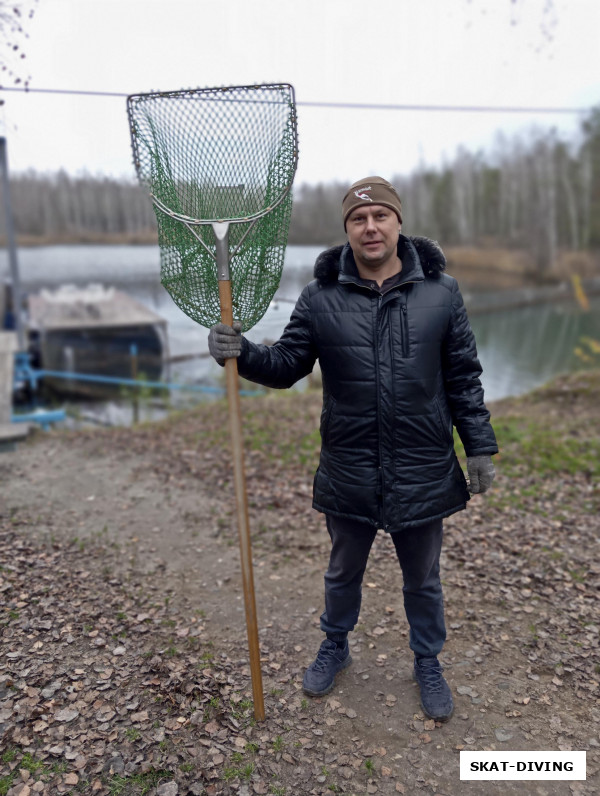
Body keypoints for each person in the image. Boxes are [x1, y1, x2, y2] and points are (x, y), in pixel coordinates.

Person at [208, 176, 498, 722]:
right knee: (342, 572)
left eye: (380, 216)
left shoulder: (443, 292)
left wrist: (478, 445)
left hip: (423, 464)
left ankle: (427, 660)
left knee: (424, 578)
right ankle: (335, 645)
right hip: (350, 467)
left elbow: (463, 376)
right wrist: (242, 352)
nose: (370, 227)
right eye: (358, 220)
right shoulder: (320, 298)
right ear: (346, 230)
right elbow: (287, 364)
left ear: (398, 222)